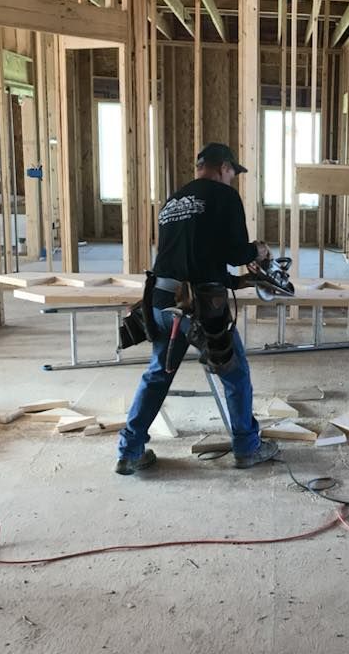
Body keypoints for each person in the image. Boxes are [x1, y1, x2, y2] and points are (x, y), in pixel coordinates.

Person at [115, 143, 279, 475]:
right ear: (223, 168)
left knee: (158, 374)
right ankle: (247, 447)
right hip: (200, 308)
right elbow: (235, 253)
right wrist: (258, 250)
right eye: (233, 173)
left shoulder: (173, 202)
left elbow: (195, 254)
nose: (233, 180)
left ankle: (129, 451)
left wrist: (237, 280)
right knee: (235, 373)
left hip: (160, 302)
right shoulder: (224, 197)